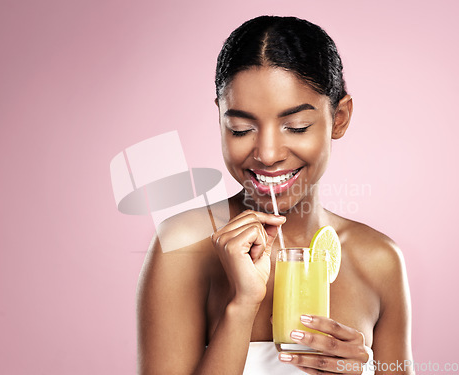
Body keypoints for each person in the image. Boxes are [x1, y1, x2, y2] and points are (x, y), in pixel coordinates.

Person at [137, 15, 413, 374]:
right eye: (241, 129)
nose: (267, 154)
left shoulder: (379, 260)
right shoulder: (184, 247)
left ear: (339, 118)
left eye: (295, 127)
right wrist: (242, 306)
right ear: (221, 119)